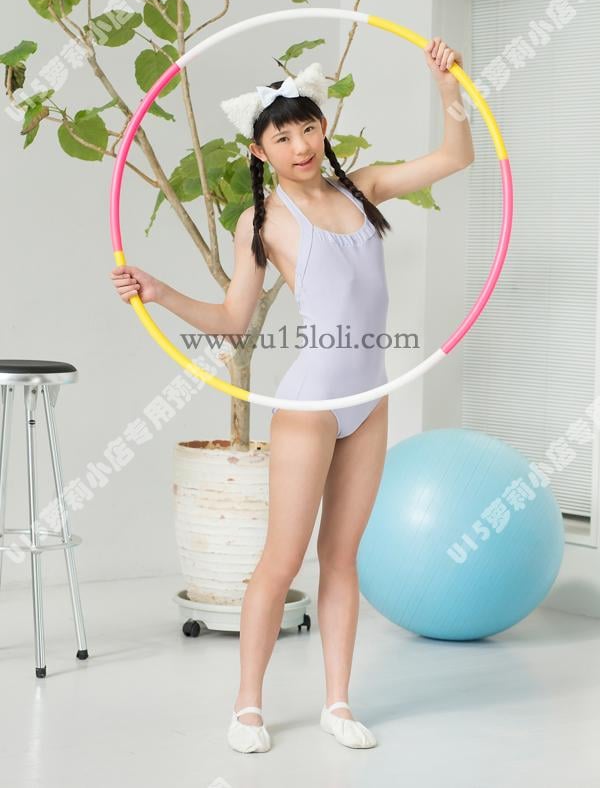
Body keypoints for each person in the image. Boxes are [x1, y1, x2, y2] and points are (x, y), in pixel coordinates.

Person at [111, 39, 474, 753]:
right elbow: (232, 321)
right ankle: (248, 706)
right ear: (259, 150)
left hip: (371, 398)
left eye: (308, 128)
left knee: (342, 557)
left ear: (323, 128)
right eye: (283, 137)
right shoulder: (263, 221)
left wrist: (447, 87)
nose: (301, 145)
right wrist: (159, 292)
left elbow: (455, 157)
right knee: (282, 560)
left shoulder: (362, 188)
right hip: (312, 402)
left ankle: (337, 702)